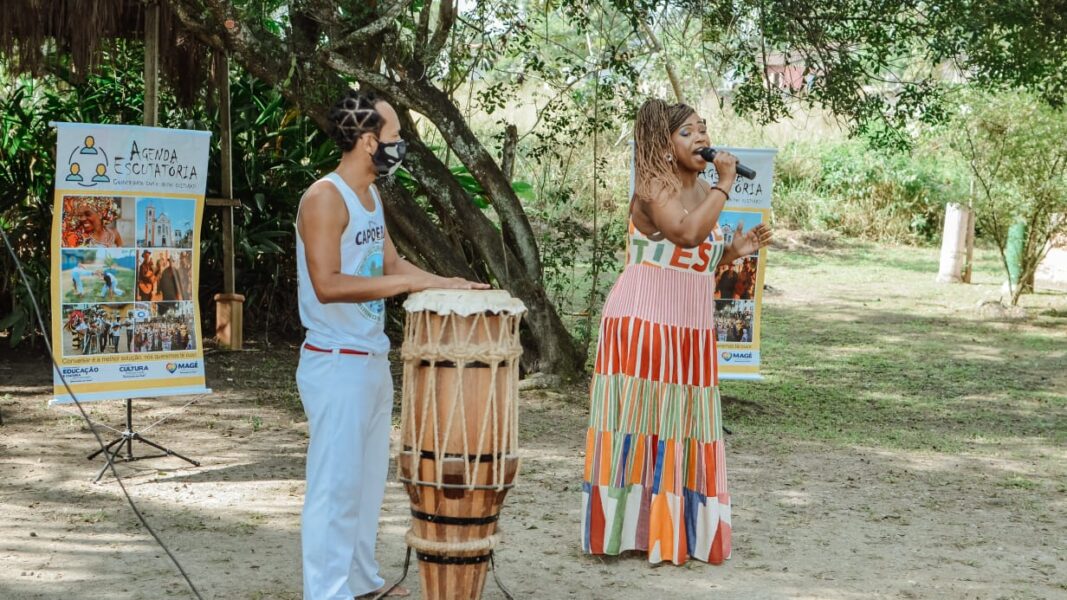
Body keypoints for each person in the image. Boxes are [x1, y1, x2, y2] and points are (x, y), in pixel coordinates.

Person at [295, 89, 487, 600]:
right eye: (395, 136)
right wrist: (405, 286)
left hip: (369, 359)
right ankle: (327, 593)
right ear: (366, 140)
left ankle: (359, 584)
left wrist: (448, 282)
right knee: (334, 488)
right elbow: (328, 284)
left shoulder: (371, 197)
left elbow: (394, 265)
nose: (400, 144)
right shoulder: (323, 198)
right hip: (334, 363)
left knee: (363, 487)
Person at [581, 99, 772, 565]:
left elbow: (694, 255)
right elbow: (683, 235)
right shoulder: (653, 186)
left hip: (687, 327)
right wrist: (726, 184)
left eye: (703, 130)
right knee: (638, 426)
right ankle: (627, 531)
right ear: (664, 145)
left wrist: (734, 251)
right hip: (644, 321)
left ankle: (672, 532)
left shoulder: (704, 188)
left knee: (683, 427)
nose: (701, 139)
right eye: (687, 132)